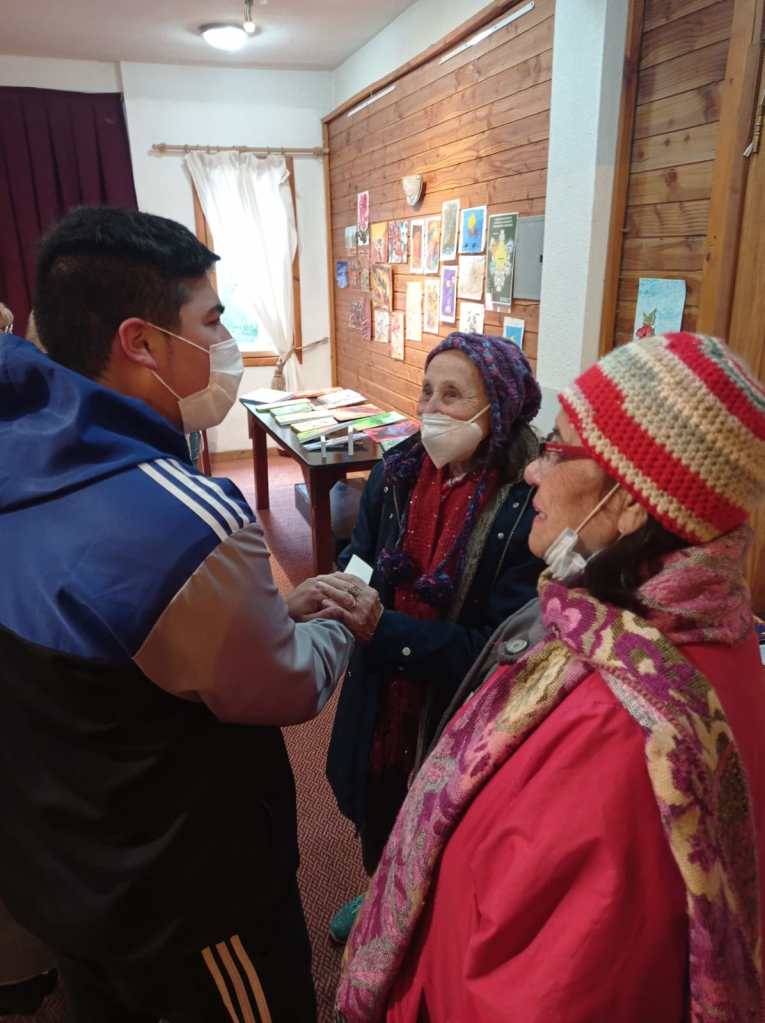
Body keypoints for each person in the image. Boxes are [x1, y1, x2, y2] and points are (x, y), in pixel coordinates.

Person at [0, 206, 363, 1023]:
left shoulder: (17, 452)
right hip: (186, 894)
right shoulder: (184, 518)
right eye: (212, 319)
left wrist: (267, 608)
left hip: (58, 866)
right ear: (141, 341)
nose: (225, 341)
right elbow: (287, 684)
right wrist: (339, 618)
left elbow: (108, 640)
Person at [337, 332, 765, 1023]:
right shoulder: (655, 627)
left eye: (560, 448)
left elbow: (551, 988)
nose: (535, 468)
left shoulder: (621, 730)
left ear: (631, 501)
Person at [326, 333, 545, 942]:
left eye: (452, 395)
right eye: (427, 391)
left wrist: (383, 627)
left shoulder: (528, 504)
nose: (431, 408)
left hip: (458, 708)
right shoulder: (395, 472)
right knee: (379, 805)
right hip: (381, 690)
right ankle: (379, 891)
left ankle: (426, 928)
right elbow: (360, 554)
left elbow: (498, 647)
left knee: (450, 831)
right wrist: (347, 589)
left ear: (498, 406)